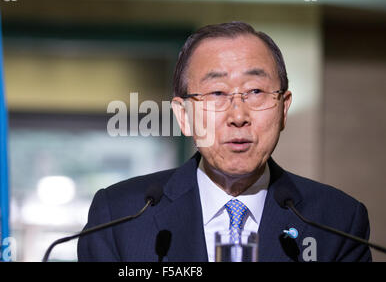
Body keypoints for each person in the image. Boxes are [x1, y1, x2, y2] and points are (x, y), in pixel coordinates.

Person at [77, 21, 371, 262]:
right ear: (184, 115)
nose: (238, 115)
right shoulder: (119, 217)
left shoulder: (338, 222)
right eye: (217, 93)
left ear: (283, 108)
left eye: (255, 91)